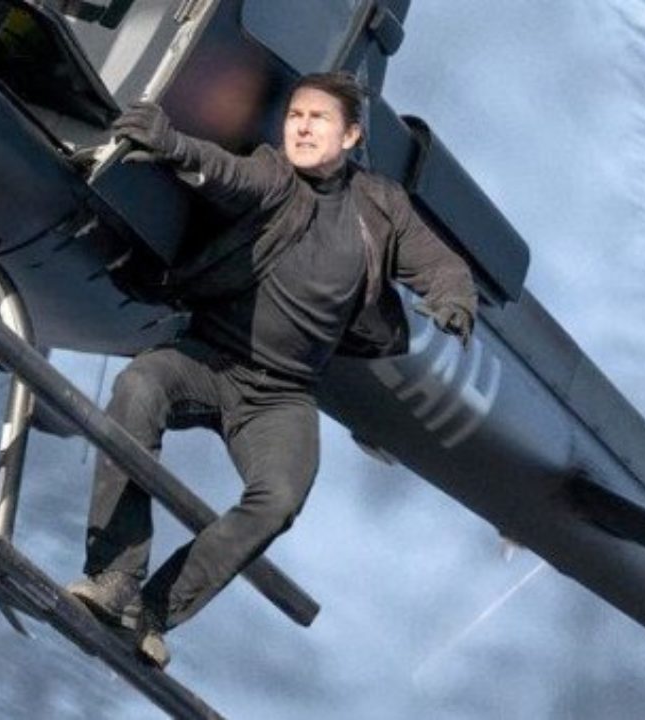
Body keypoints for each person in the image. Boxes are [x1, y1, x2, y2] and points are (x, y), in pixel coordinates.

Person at [67, 72, 478, 669]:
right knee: (138, 386)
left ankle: (153, 612)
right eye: (294, 116)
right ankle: (113, 576)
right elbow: (227, 173)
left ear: (351, 136)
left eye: (318, 118)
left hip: (281, 395)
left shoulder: (380, 206)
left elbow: (441, 265)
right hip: (207, 360)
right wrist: (171, 143)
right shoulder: (273, 173)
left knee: (279, 498)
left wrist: (452, 299)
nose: (302, 128)